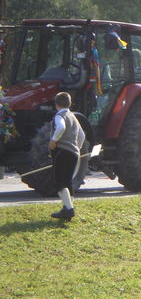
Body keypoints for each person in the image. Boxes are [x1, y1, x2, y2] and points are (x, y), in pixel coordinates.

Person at [49, 92, 86, 221]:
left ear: (56, 104)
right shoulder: (73, 117)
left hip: (62, 151)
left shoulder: (60, 115)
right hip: (74, 153)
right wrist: (77, 148)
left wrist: (53, 141)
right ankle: (67, 207)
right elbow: (82, 136)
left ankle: (69, 210)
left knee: (59, 182)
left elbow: (60, 128)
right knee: (68, 182)